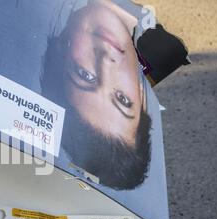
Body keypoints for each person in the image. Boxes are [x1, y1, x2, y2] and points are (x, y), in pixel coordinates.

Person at [41, 0, 152, 190]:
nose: (106, 63)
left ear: (61, 51)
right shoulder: (156, 35)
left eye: (85, 75)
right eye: (122, 99)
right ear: (142, 98)